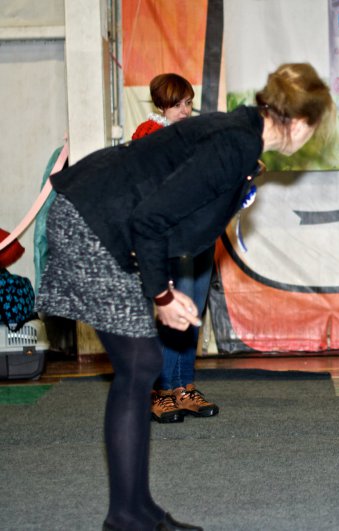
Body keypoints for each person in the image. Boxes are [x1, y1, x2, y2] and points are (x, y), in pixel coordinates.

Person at [36, 63, 334, 530]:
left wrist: (164, 284)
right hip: (93, 223)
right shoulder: (236, 142)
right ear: (299, 123)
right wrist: (161, 294)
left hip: (108, 222)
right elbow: (151, 219)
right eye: (314, 128)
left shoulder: (242, 135)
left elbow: (167, 209)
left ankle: (136, 510)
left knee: (142, 366)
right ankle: (126, 517)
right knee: (139, 365)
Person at [132, 73, 219, 424]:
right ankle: (161, 391)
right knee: (173, 313)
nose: (185, 110)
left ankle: (184, 386)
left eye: (188, 103)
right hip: (171, 239)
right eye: (177, 104)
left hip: (200, 233)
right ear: (160, 104)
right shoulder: (147, 135)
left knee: (193, 311)